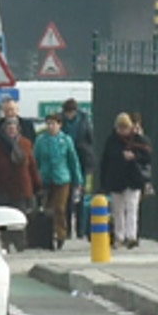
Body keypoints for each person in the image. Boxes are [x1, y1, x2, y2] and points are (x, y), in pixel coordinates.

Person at [100, 112, 151, 249]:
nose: (123, 130)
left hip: (133, 180)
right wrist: (104, 182)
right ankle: (119, 236)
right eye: (120, 128)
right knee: (118, 210)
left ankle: (131, 236)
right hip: (116, 180)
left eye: (125, 127)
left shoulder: (139, 140)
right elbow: (105, 161)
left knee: (132, 208)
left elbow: (147, 156)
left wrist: (134, 156)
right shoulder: (111, 141)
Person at [34, 113, 82, 245]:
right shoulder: (40, 141)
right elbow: (35, 160)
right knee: (47, 208)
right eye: (49, 124)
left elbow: (73, 161)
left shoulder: (66, 140)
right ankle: (48, 234)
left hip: (62, 179)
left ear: (59, 125)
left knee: (60, 207)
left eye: (54, 124)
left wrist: (77, 180)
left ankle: (61, 234)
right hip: (45, 178)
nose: (51, 126)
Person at [0, 115, 40, 212]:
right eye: (9, 128)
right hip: (2, 187)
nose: (11, 131)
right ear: (4, 130)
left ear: (18, 130)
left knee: (20, 215)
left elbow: (32, 165)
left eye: (13, 128)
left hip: (22, 186)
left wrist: (37, 183)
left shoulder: (25, 143)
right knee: (3, 214)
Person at [61, 98, 96, 236]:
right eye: (67, 113)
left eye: (71, 112)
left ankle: (80, 229)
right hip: (66, 161)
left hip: (82, 160)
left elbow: (90, 139)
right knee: (66, 196)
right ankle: (67, 229)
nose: (69, 115)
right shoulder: (61, 122)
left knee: (80, 194)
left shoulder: (84, 121)